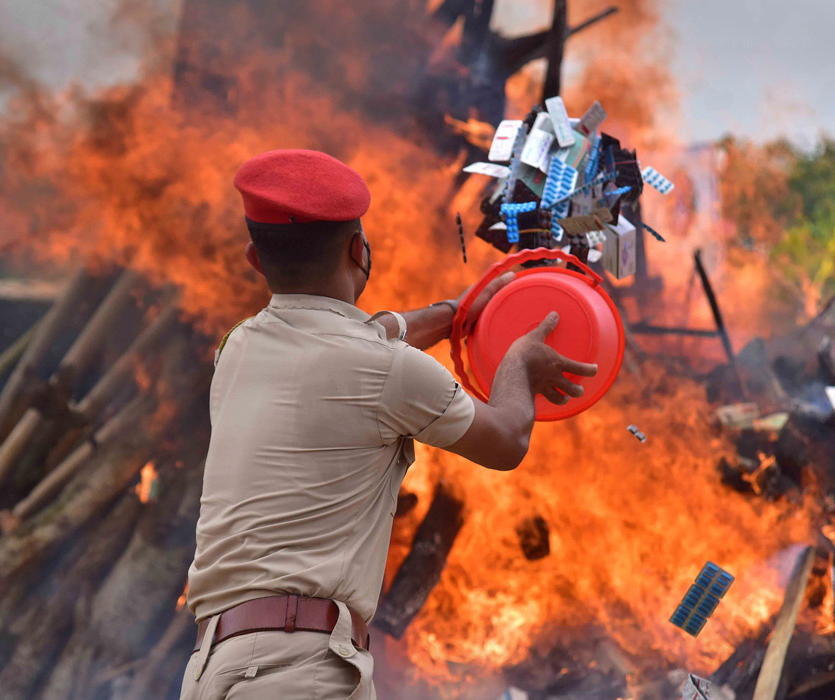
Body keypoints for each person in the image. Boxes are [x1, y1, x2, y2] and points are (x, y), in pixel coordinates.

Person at [181, 149, 598, 700]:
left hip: (215, 668)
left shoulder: (238, 347)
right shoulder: (383, 371)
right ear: (360, 249)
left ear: (255, 259)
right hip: (295, 673)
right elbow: (506, 441)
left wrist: (457, 313)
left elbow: (371, 339)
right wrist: (519, 364)